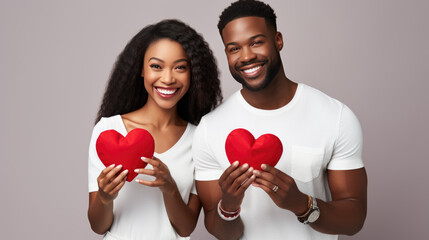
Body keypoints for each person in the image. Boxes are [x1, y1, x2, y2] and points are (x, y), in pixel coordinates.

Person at [192, 0, 367, 239]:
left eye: (256, 42)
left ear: (278, 40)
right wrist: (229, 206)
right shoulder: (210, 128)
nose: (246, 56)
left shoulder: (335, 116)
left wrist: (302, 205)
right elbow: (224, 232)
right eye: (234, 48)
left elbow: (354, 219)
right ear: (226, 54)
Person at [87, 19, 222, 240]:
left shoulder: (199, 138)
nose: (168, 79)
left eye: (180, 67)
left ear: (193, 73)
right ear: (141, 69)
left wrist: (169, 188)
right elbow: (98, 226)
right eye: (156, 66)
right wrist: (104, 197)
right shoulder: (109, 130)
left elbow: (186, 228)